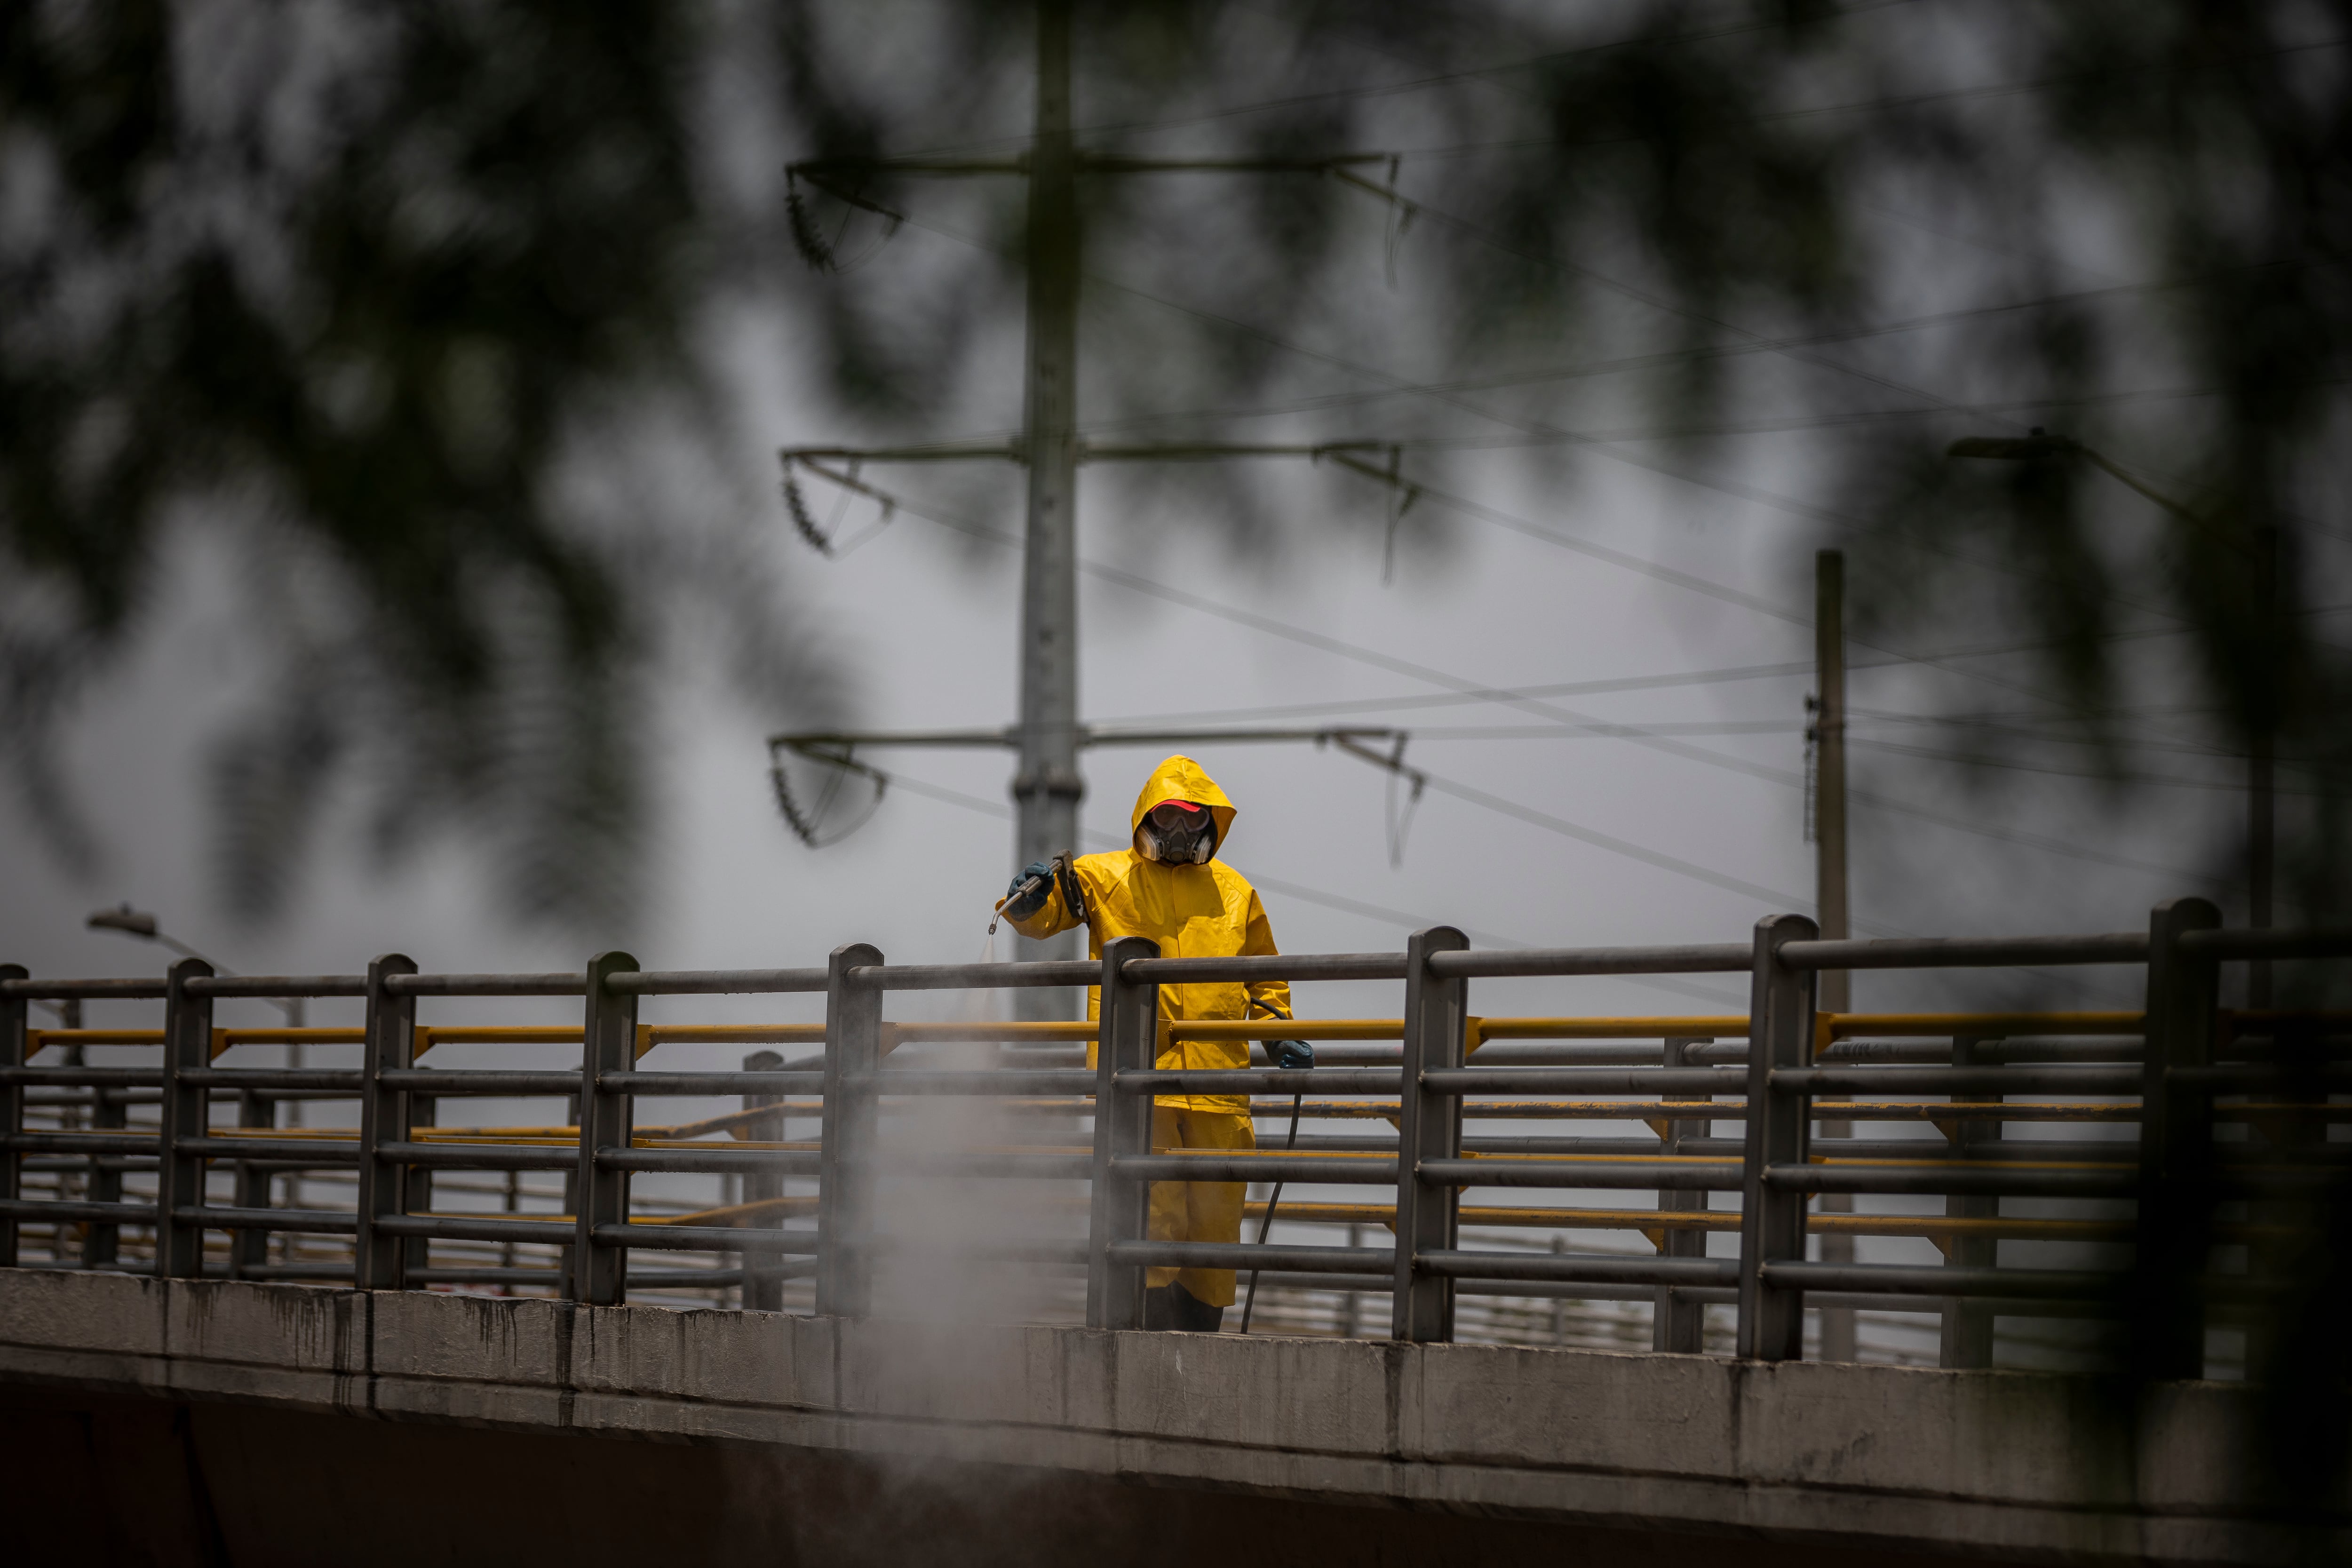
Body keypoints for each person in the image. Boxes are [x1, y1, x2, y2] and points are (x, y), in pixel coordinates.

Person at [1000, 755, 1312, 1332]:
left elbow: (1265, 974)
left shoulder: (1234, 892)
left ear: (1209, 827)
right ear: (1145, 816)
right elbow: (1046, 913)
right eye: (1166, 818)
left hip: (1220, 1086)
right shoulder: (1103, 876)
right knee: (1149, 1216)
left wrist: (1278, 1032)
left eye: (1191, 822)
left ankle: (1198, 1344)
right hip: (1139, 1084)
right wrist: (1027, 898)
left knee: (1214, 1225)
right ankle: (1141, 1340)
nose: (1177, 834)